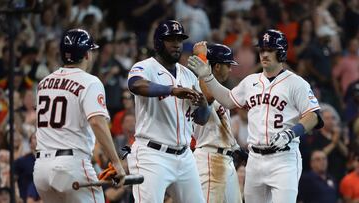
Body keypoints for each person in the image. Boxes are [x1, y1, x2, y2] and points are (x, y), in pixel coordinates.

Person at [188, 29, 323, 203]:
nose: (264, 54)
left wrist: (291, 133)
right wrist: (207, 77)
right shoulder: (250, 81)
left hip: (283, 159)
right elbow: (228, 100)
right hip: (255, 160)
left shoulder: (296, 83)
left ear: (281, 52)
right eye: (262, 50)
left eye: (270, 50)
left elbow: (314, 115)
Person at [33, 28, 126, 203]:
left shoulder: (44, 82)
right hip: (71, 165)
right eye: (91, 50)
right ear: (87, 55)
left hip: (41, 168)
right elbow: (97, 123)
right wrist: (116, 163)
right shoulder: (90, 81)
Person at [126, 20, 210, 203]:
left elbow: (202, 120)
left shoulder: (188, 75)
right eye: (170, 39)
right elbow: (135, 85)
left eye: (179, 40)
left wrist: (204, 105)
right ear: (158, 43)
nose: (176, 44)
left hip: (185, 156)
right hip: (152, 155)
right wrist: (171, 90)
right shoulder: (145, 66)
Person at [192, 43, 242, 203]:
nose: (231, 69)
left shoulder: (218, 89)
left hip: (226, 158)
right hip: (209, 158)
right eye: (228, 65)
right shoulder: (196, 83)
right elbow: (207, 96)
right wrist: (201, 58)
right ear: (218, 66)